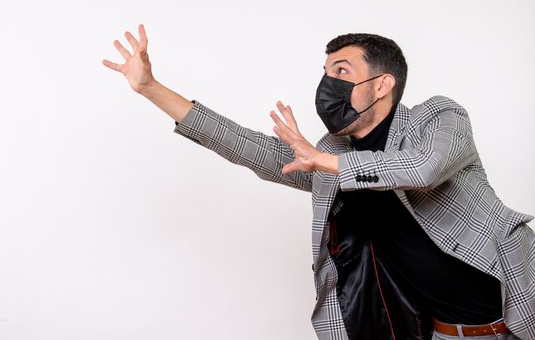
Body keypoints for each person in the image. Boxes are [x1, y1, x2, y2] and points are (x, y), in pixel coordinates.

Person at [102, 24, 535, 340]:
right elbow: (248, 147)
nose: (328, 83)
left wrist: (325, 162)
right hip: (442, 333)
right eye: (326, 71)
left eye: (342, 71)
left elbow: (423, 167)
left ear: (383, 84)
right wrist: (151, 88)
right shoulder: (333, 150)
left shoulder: (438, 117)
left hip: (522, 313)